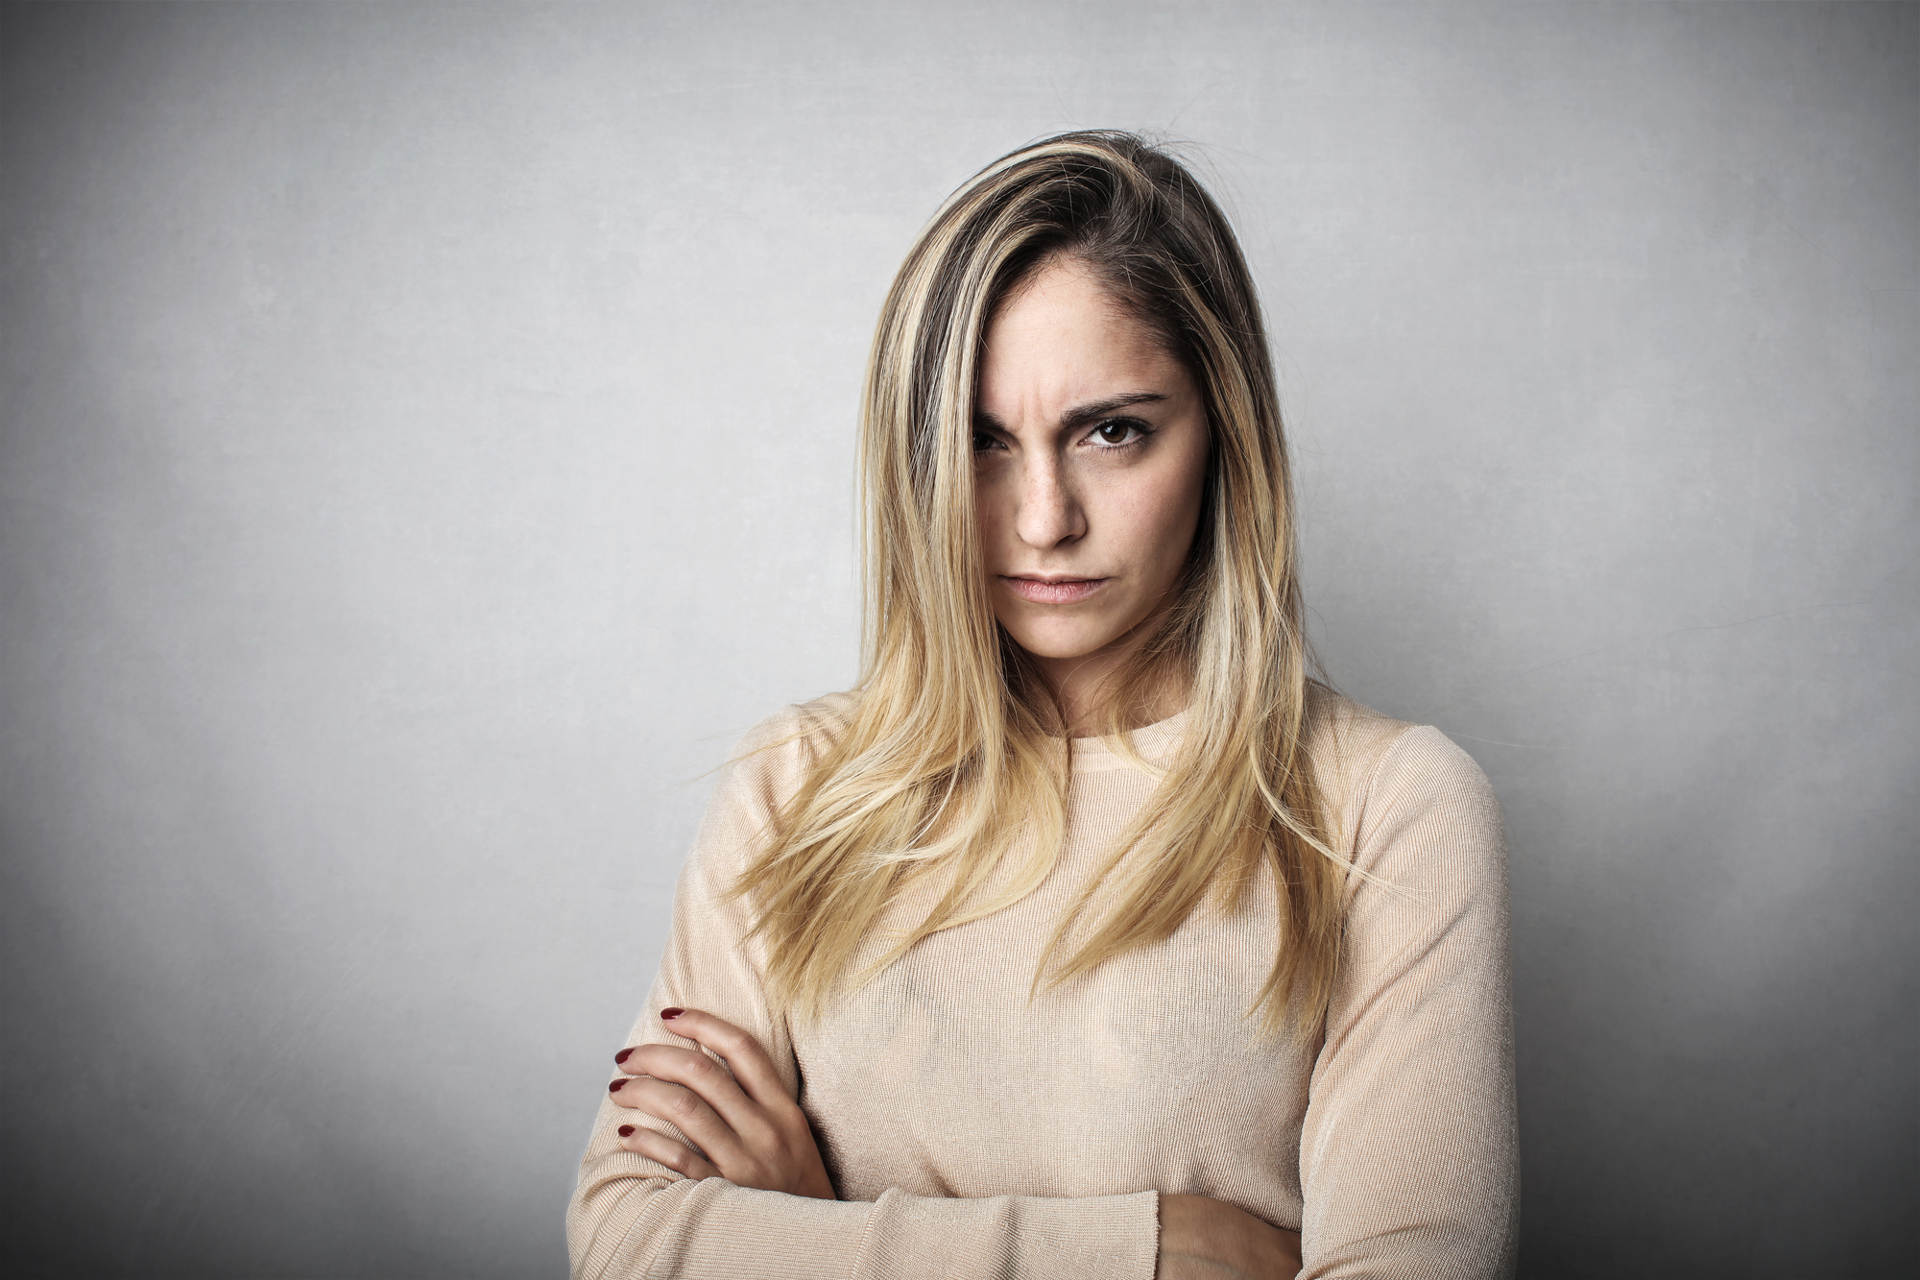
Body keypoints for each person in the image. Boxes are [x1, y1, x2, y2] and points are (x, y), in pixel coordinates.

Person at [565, 129, 1519, 1280]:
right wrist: (1148, 1248)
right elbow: (628, 1245)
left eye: (1112, 431)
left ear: (1224, 432)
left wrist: (820, 1234)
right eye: (981, 440)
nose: (1042, 518)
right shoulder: (798, 785)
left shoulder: (1385, 804)